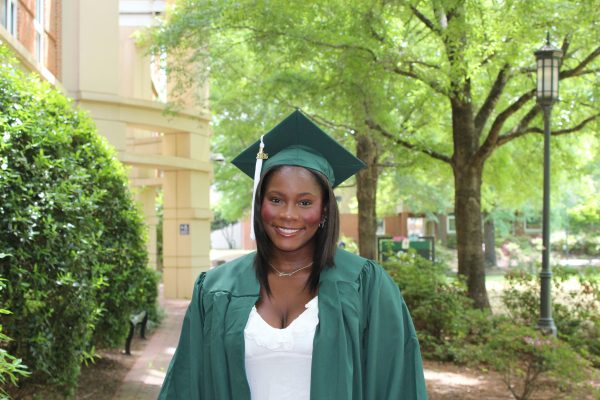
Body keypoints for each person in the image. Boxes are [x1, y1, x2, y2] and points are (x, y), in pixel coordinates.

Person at [158, 110, 428, 399]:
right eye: (276, 199)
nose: (288, 214)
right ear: (259, 203)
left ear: (324, 210)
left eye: (304, 202)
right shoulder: (216, 288)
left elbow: (396, 382)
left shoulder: (366, 285)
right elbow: (187, 383)